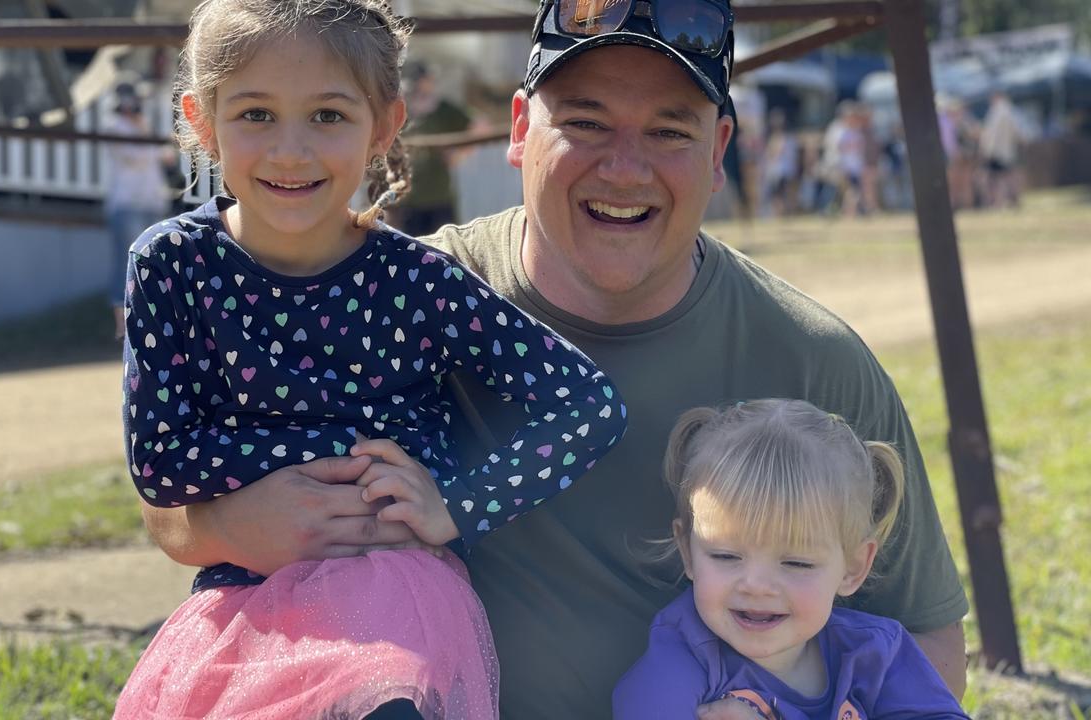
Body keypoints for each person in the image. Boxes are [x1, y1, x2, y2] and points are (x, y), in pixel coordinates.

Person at [140, 1, 970, 717]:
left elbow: (919, 630)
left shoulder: (809, 359)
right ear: (518, 130)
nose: (623, 166)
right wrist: (222, 527)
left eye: (668, 131)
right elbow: (172, 502)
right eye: (584, 123)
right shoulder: (403, 294)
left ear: (719, 151)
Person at [114, 1, 627, 718]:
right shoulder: (172, 264)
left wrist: (457, 506)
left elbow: (588, 406)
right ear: (203, 122)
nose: (291, 150)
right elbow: (160, 460)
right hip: (246, 596)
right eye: (255, 115)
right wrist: (271, 500)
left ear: (383, 126)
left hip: (395, 588)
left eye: (328, 116)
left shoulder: (417, 280)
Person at [613, 400, 969, 719]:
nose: (756, 585)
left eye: (796, 563)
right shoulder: (680, 664)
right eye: (725, 555)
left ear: (854, 566)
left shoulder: (876, 652)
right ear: (688, 551)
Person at [104, 80, 172, 341]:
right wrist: (147, 137)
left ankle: (150, 322)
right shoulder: (114, 128)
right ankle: (122, 327)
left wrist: (144, 129)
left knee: (154, 265)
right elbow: (139, 156)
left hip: (153, 201)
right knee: (125, 266)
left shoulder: (142, 127)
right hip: (126, 204)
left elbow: (166, 156)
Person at [397, 62, 474, 236]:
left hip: (439, 199)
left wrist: (460, 154)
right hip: (408, 201)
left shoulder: (442, 108)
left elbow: (478, 126)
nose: (430, 85)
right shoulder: (400, 109)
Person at [979, 90, 1027, 209]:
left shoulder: (997, 112)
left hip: (996, 152)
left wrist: (987, 150)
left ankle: (999, 202)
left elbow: (991, 135)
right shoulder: (1009, 111)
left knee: (997, 178)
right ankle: (1011, 200)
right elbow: (1017, 131)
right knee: (1007, 176)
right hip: (1007, 151)